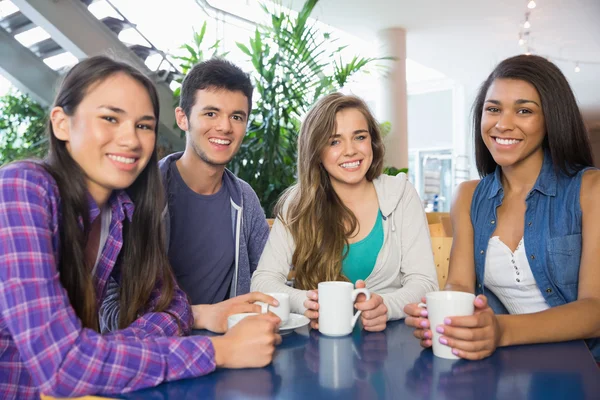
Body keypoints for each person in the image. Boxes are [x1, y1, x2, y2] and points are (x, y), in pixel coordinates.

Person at [0, 56, 281, 399]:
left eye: (144, 125)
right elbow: (62, 366)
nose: (130, 139)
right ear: (61, 123)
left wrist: (100, 353)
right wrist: (220, 352)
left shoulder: (123, 210)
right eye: (110, 118)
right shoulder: (21, 189)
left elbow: (175, 309)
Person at [404, 54, 600, 362]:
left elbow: (595, 310)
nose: (503, 124)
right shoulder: (468, 195)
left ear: (551, 118)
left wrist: (502, 331)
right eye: (493, 109)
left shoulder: (591, 189)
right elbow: (459, 284)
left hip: (584, 368)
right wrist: (444, 315)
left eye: (524, 110)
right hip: (505, 368)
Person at [101, 58, 275, 334]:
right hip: (152, 355)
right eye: (210, 114)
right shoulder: (138, 196)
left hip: (231, 350)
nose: (225, 127)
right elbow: (108, 314)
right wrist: (197, 316)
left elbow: (269, 280)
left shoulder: (244, 198)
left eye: (237, 117)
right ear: (183, 118)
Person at [251, 93, 438, 331]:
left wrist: (385, 306)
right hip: (317, 348)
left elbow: (425, 283)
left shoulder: (400, 193)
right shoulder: (297, 204)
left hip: (391, 345)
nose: (350, 151)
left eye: (359, 137)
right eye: (334, 141)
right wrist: (307, 302)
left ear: (372, 142)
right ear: (316, 151)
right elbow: (262, 282)